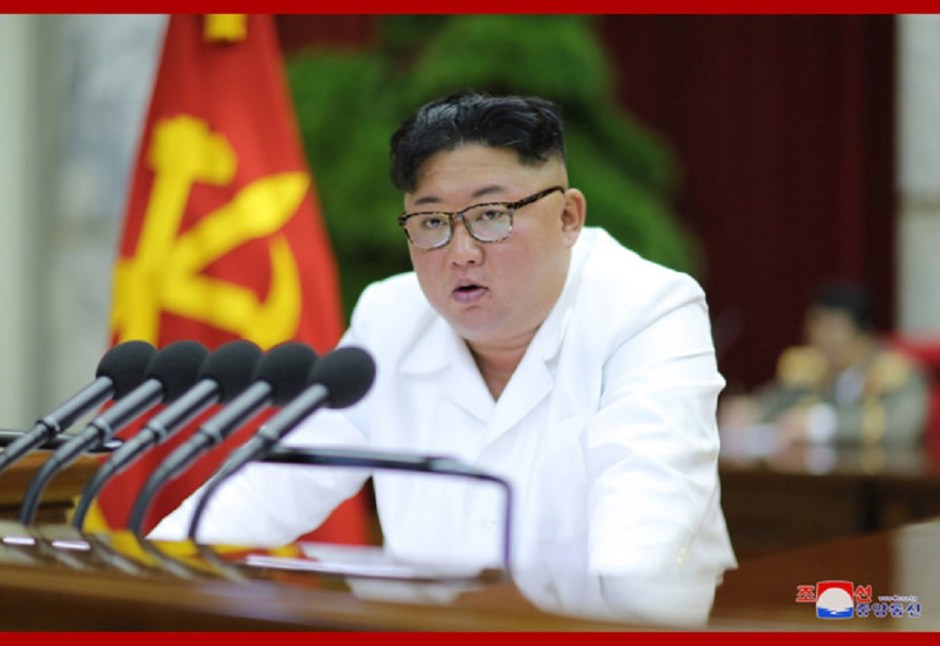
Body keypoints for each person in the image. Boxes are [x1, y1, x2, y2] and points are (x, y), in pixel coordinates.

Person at [149, 92, 738, 626]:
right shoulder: (391, 315)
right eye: (432, 222)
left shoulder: (648, 311)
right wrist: (149, 567)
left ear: (568, 218)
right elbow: (277, 480)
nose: (460, 253)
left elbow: (644, 543)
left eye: (490, 216)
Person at [719, 281, 930, 449]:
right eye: (816, 327)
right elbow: (773, 404)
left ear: (864, 334)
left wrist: (820, 425)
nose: (821, 338)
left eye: (833, 329)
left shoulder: (900, 372)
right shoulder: (810, 368)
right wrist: (751, 411)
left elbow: (900, 428)